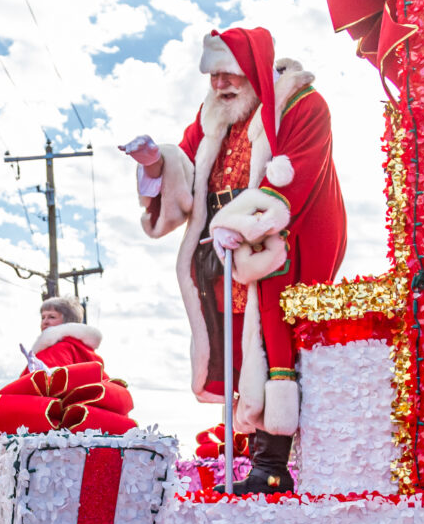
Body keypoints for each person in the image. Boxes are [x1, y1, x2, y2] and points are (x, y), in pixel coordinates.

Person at [122, 27, 347, 495]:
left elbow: (297, 177)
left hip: (274, 246)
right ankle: (251, 458)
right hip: (221, 253)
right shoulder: (213, 116)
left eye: (231, 74)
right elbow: (183, 169)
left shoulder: (300, 104)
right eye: (215, 76)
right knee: (242, 350)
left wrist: (244, 225)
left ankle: (272, 464)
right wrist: (154, 164)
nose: (222, 83)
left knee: (273, 345)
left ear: (253, 69)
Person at [21, 295, 104, 373]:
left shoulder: (58, 350)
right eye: (43, 317)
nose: (45, 322)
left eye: (52, 317)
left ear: (68, 321)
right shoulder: (83, 350)